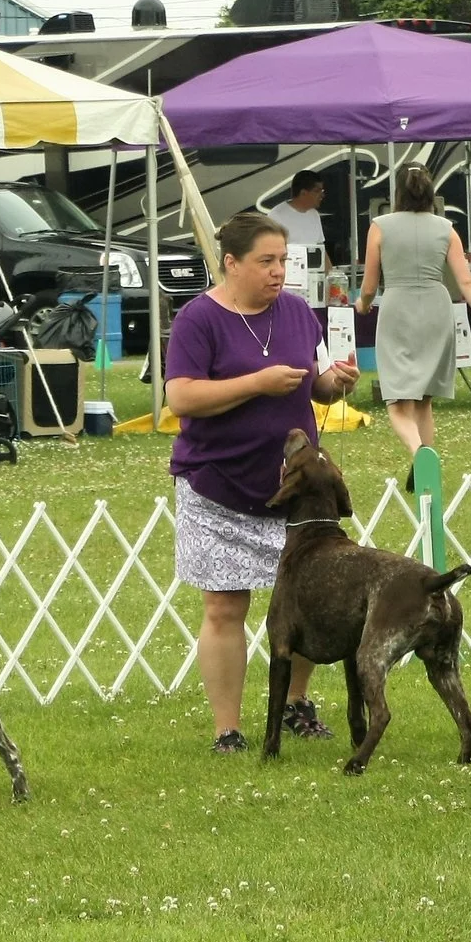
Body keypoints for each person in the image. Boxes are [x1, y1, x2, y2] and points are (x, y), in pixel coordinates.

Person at [166, 210, 360, 752]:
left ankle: (297, 703)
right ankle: (228, 730)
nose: (278, 272)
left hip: (295, 492)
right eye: (266, 261)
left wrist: (332, 382)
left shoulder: (299, 313)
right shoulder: (197, 320)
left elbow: (312, 386)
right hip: (217, 486)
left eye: (283, 261)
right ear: (231, 262)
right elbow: (180, 397)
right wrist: (257, 383)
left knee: (307, 601)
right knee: (225, 608)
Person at [355, 164, 471, 458]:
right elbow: (466, 282)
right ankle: (429, 466)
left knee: (397, 402)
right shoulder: (446, 229)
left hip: (398, 307)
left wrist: (363, 304)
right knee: (424, 400)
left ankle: (419, 452)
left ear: (397, 192)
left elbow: (369, 286)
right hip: (437, 308)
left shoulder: (380, 226)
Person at [266, 169, 329, 258]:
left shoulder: (314, 214)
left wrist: (330, 272)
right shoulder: (276, 215)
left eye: (322, 191)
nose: (322, 195)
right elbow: (271, 251)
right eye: (317, 191)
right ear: (303, 193)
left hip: (314, 271)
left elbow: (321, 249)